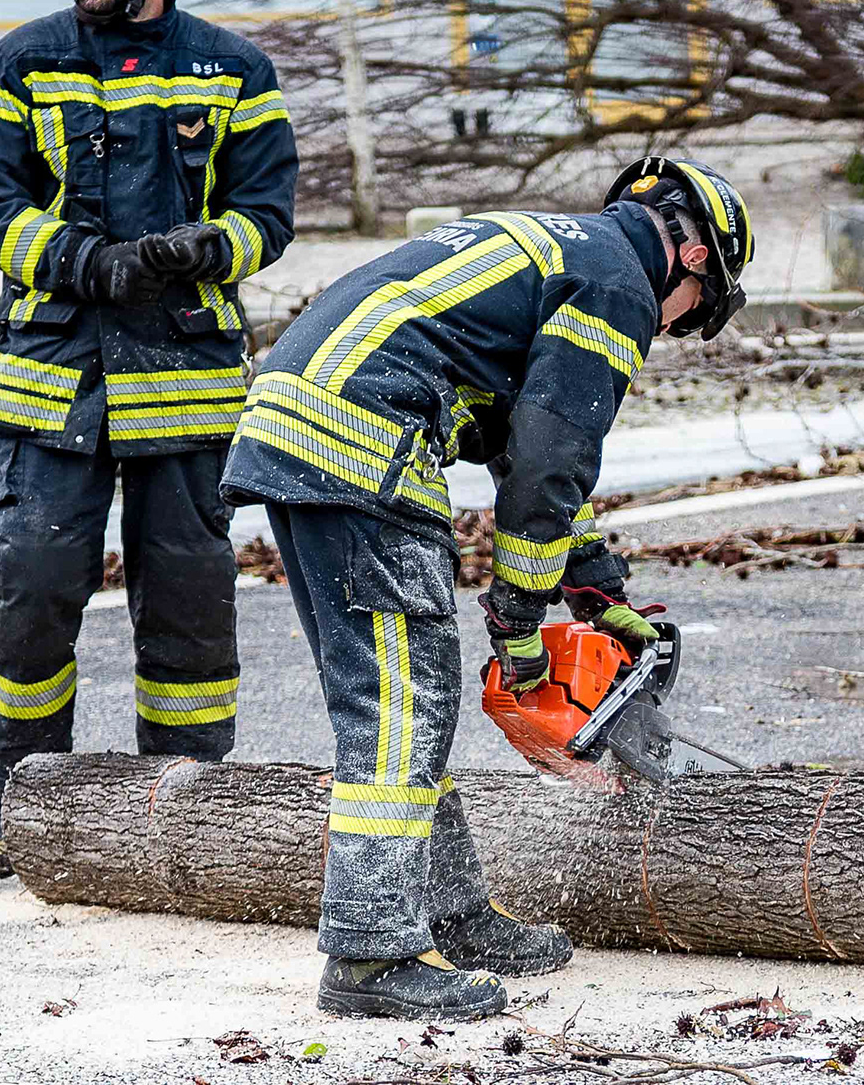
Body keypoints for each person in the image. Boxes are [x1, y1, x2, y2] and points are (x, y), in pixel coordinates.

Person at [219, 158, 754, 1021]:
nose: (677, 324)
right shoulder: (619, 287)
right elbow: (550, 462)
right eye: (693, 315)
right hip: (363, 439)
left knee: (403, 704)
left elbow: (521, 448)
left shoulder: (563, 249)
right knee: (400, 709)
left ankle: (454, 914)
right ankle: (370, 956)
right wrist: (517, 616)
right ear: (696, 260)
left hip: (302, 424)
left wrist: (593, 587)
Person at [0, 0, 298, 876]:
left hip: (184, 387)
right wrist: (79, 262)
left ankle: (185, 807)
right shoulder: (22, 61)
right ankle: (19, 800)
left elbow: (268, 216)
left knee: (191, 604)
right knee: (35, 589)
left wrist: (207, 247)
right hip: (50, 377)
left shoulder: (235, 70)